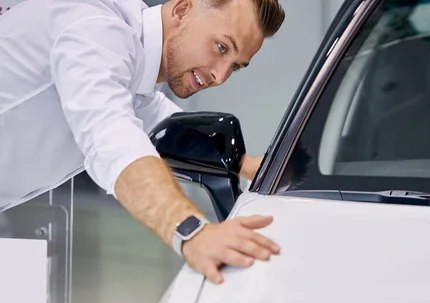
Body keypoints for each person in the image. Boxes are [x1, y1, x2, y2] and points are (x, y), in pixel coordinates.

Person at [0, 0, 285, 284]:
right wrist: (192, 232)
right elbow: (112, 139)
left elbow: (168, 129)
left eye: (235, 66)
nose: (220, 76)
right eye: (221, 48)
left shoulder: (135, 71)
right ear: (182, 10)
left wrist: (249, 166)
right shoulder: (98, 32)